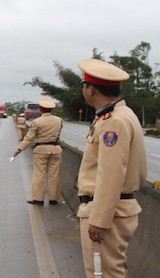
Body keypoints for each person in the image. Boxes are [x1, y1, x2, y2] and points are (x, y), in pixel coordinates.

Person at [76, 58, 147, 278]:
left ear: (90, 89)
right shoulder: (120, 115)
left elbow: (111, 175)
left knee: (105, 274)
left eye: (85, 85)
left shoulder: (113, 122)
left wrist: (100, 220)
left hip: (108, 213)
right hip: (115, 210)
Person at [12, 98, 63, 206]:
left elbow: (29, 138)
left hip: (41, 150)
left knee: (39, 174)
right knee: (53, 175)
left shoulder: (37, 122)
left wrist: (19, 149)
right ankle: (53, 198)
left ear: (40, 109)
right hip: (55, 149)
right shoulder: (59, 120)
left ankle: (38, 199)